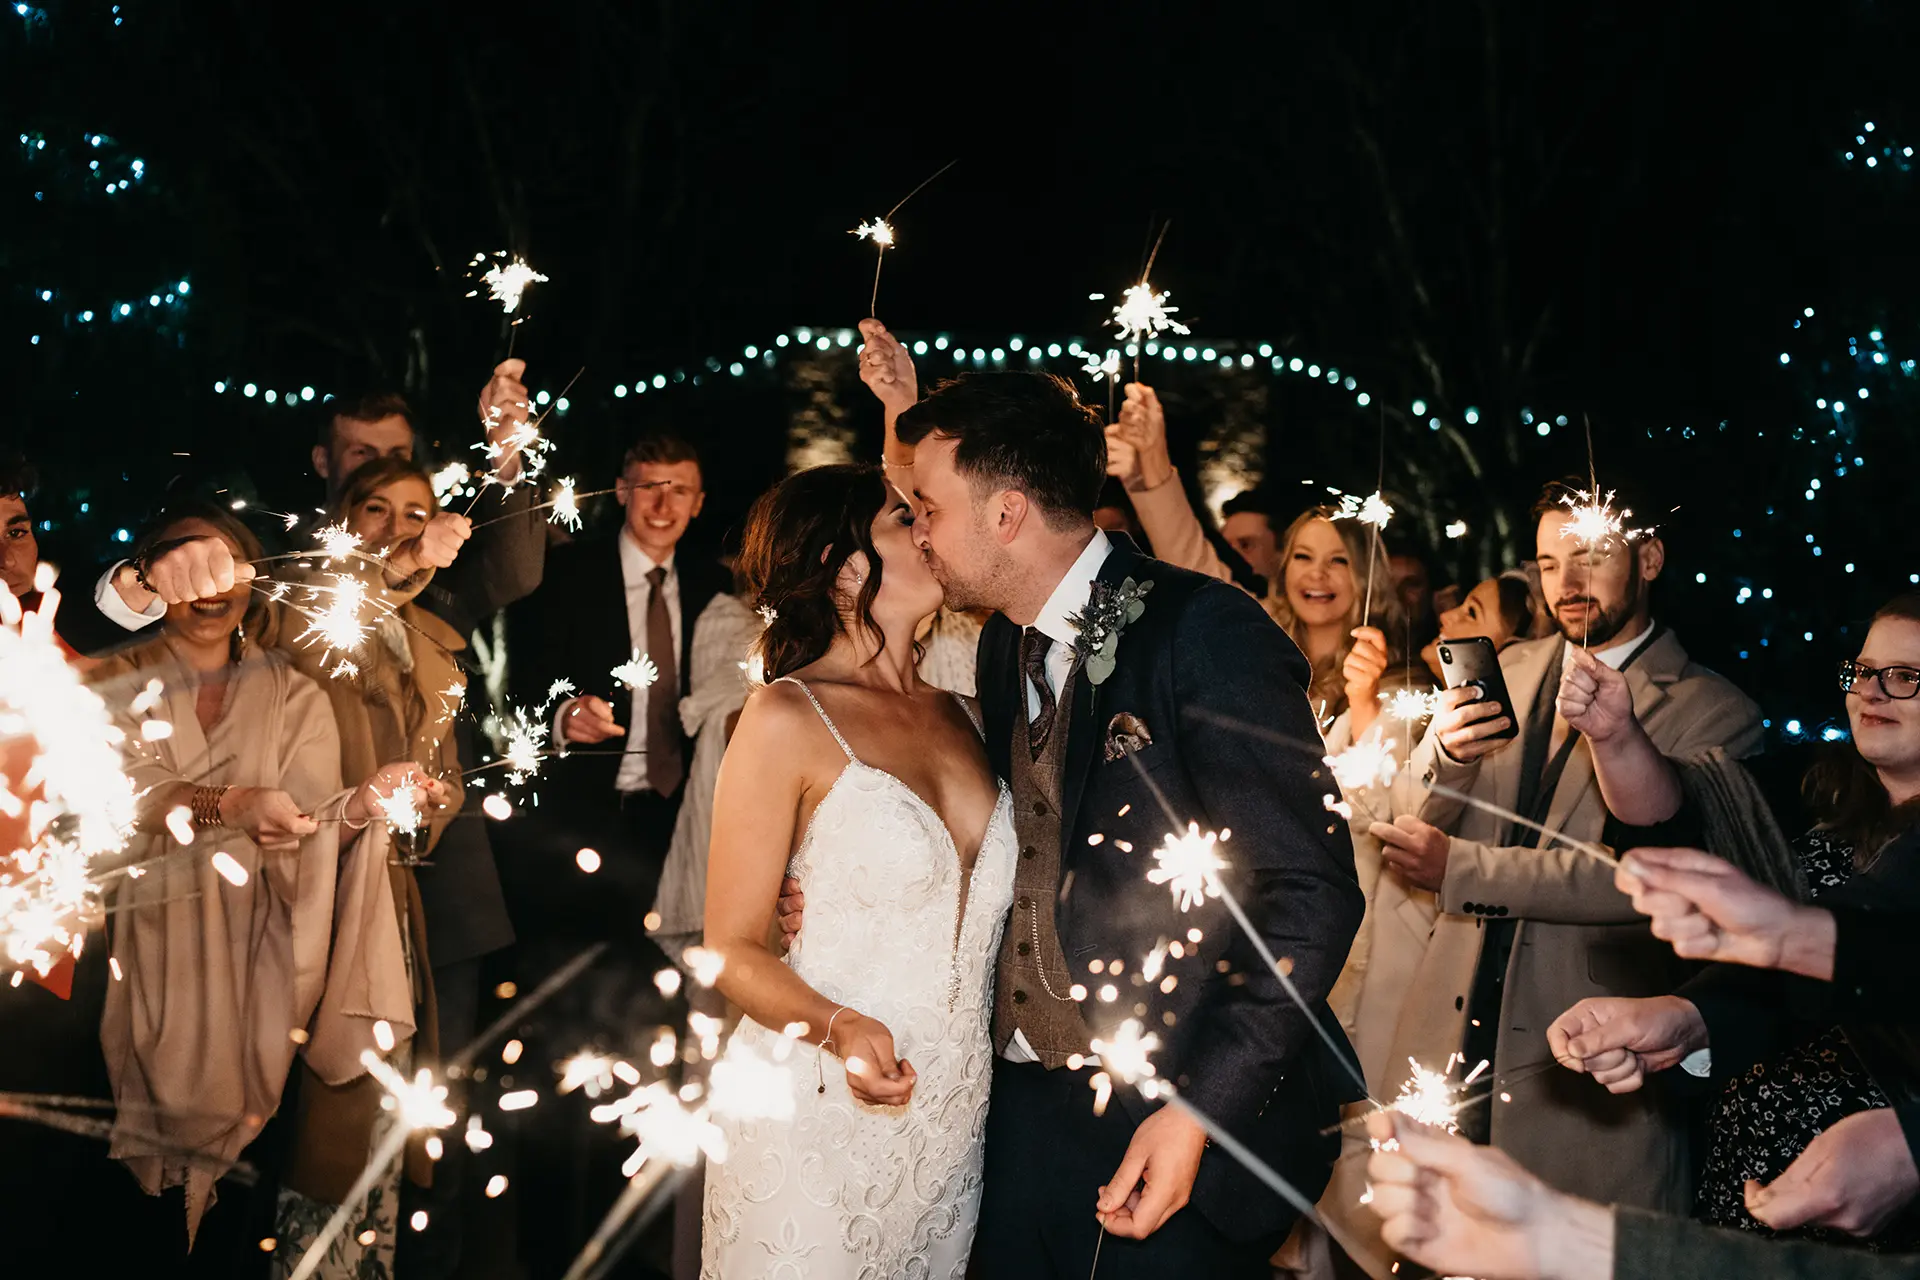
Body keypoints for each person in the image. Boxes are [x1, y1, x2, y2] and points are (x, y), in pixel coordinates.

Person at [784, 368, 1365, 1276]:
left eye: (929, 506)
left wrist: (1198, 1113)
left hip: (1176, 1115)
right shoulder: (1000, 645)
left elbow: (1311, 893)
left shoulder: (1205, 630)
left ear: (1006, 514)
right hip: (1016, 1113)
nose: (920, 529)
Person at [1363, 477, 1762, 1240]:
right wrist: (1446, 754)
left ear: (1648, 558)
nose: (1566, 585)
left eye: (1588, 557)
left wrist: (1463, 869)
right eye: (1548, 564)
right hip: (1448, 1030)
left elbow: (1641, 875)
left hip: (1589, 1067)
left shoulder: (1713, 709)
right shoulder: (1505, 669)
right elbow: (1418, 822)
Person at [88, 501, 438, 1270]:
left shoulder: (296, 693)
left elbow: (308, 831)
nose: (211, 590)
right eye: (190, 567)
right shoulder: (108, 678)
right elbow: (112, 793)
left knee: (235, 1233)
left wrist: (364, 802)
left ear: (253, 580)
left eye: (228, 568)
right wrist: (225, 805)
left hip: (258, 971)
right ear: (157, 576)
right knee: (111, 1224)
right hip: (124, 958)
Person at [698, 463, 1017, 1277]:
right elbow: (730, 947)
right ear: (844, 567)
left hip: (952, 1118)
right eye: (903, 518)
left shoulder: (975, 716)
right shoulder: (784, 714)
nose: (928, 529)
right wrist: (840, 1028)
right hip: (813, 1104)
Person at [1549, 593, 1920, 1248]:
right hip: (1754, 1159)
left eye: (1905, 677)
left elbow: (1883, 941)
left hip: (1884, 1176)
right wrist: (1614, 735)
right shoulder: (1811, 781)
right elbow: (1676, 816)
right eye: (1862, 671)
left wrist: (1782, 933)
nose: (1872, 692)